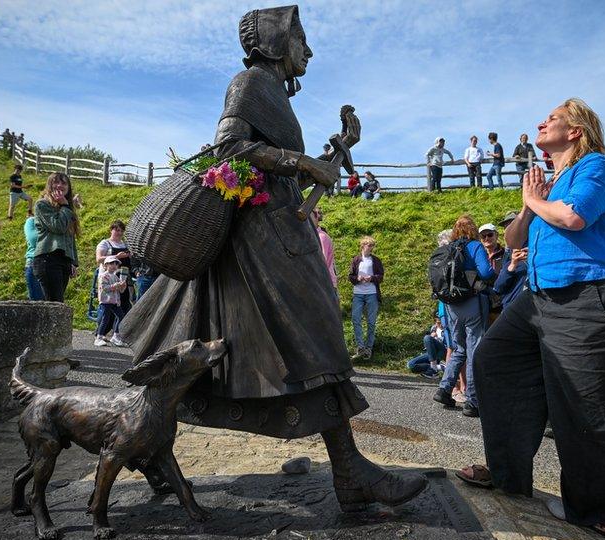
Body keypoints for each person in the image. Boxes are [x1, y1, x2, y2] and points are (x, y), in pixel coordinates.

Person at [119, 5, 427, 512]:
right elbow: (229, 148)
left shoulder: (275, 96)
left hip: (279, 233)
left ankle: (349, 471)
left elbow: (279, 175)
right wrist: (303, 161)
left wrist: (337, 150)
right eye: (301, 39)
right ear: (276, 40)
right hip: (258, 245)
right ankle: (147, 443)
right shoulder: (250, 83)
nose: (308, 50)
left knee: (307, 344)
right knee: (302, 340)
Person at [472, 98, 605, 540]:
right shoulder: (551, 181)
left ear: (576, 132)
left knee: (588, 400)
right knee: (495, 360)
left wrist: (537, 199)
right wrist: (529, 206)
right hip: (539, 294)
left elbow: (573, 217)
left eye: (551, 119)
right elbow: (513, 239)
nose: (540, 123)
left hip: (591, 294)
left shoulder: (595, 168)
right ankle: (508, 473)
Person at [433, 215, 495, 418]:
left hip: (451, 304)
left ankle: (444, 389)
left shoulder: (449, 248)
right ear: (473, 230)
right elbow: (485, 273)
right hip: (471, 301)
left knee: (458, 348)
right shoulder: (475, 246)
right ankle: (473, 401)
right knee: (474, 349)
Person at [32, 172, 80, 303]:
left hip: (63, 260)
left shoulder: (67, 209)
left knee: (57, 303)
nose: (60, 185)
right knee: (55, 303)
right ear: (49, 185)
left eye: (64, 183)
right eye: (56, 182)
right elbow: (58, 226)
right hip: (47, 258)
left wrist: (73, 262)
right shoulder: (42, 205)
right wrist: (65, 206)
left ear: (68, 188)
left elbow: (70, 237)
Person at [349, 236, 383, 359]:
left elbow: (381, 276)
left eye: (372, 245)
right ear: (363, 246)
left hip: (372, 293)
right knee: (355, 319)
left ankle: (369, 348)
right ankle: (360, 346)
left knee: (371, 322)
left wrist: (372, 278)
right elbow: (350, 276)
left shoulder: (376, 260)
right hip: (358, 293)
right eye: (369, 245)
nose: (371, 248)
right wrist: (357, 278)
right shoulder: (356, 260)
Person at [95, 220, 133, 321]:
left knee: (123, 303)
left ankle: (118, 330)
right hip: (107, 278)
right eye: (117, 230)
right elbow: (98, 259)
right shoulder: (105, 243)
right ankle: (101, 331)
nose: (119, 233)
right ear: (111, 230)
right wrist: (116, 256)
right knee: (108, 305)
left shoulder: (124, 244)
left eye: (121, 231)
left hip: (122, 277)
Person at [94, 255, 128, 347]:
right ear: (105, 265)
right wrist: (116, 286)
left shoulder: (116, 277)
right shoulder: (103, 276)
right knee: (105, 319)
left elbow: (121, 291)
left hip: (115, 301)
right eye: (111, 263)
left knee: (121, 317)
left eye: (116, 264)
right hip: (106, 301)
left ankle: (116, 336)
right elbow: (105, 288)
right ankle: (99, 337)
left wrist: (123, 286)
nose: (114, 265)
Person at [311, 207, 338, 300]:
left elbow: (323, 261)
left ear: (317, 218)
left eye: (311, 217)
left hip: (326, 282)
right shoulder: (313, 236)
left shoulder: (321, 237)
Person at [23, 215, 44, 300]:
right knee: (37, 301)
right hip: (34, 262)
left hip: (54, 264)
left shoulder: (56, 221)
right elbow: (34, 239)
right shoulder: (31, 221)